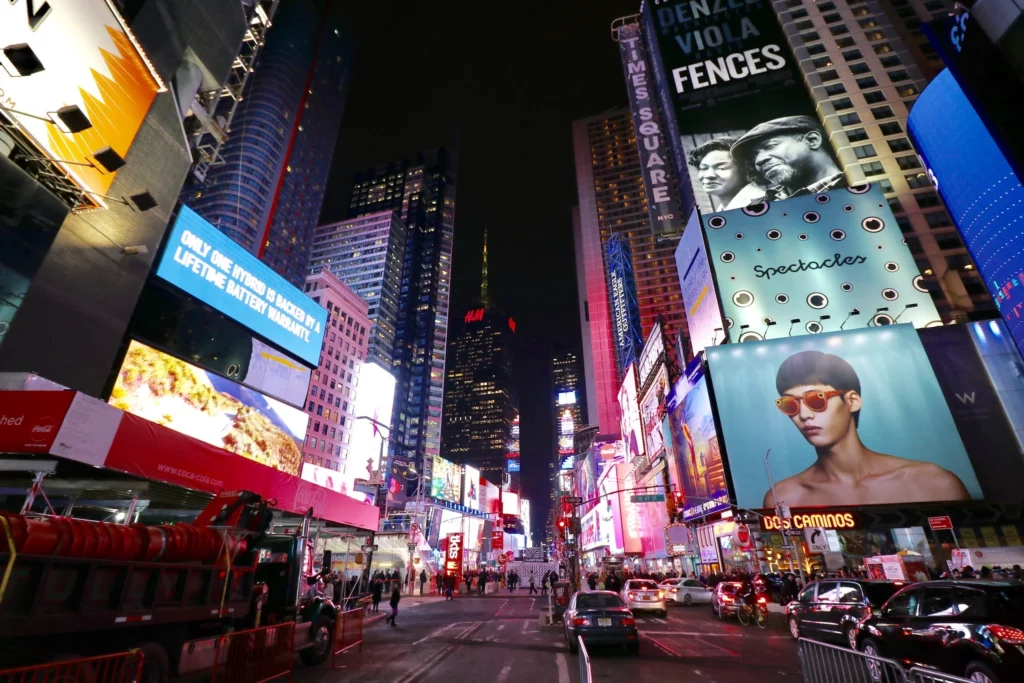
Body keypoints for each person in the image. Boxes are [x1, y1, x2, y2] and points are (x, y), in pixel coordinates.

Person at [764, 350, 971, 508]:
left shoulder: (933, 482)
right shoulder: (784, 497)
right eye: (790, 404)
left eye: (816, 400)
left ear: (852, 400)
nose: (804, 415)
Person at [730, 115, 845, 202]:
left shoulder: (855, 184)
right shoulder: (755, 208)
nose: (759, 161)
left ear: (812, 140)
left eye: (770, 146)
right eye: (754, 156)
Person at [689, 138, 763, 211]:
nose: (709, 175)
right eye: (703, 168)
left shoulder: (760, 203)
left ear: (746, 169)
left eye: (721, 168)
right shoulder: (723, 208)